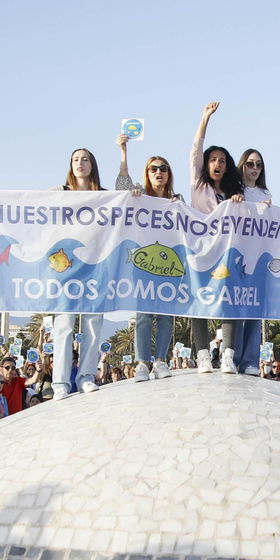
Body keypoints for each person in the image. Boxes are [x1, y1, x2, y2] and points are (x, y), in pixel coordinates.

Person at [53, 147, 119, 396]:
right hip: (65, 268)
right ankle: (60, 383)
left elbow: (124, 194)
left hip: (95, 266)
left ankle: (86, 376)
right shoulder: (60, 193)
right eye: (75, 159)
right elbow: (29, 202)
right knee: (64, 325)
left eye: (85, 159)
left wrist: (122, 153)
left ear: (93, 164)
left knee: (92, 324)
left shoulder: (103, 195)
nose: (80, 163)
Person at [186, 102, 243, 371]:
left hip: (225, 254)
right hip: (199, 252)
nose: (217, 164)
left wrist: (237, 202)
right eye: (212, 160)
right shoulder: (198, 186)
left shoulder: (234, 194)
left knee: (228, 300)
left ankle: (228, 354)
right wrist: (205, 117)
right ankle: (203, 355)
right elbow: (196, 149)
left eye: (222, 160)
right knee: (199, 302)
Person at [117, 145, 181, 382]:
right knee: (144, 314)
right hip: (143, 267)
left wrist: (178, 206)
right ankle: (142, 363)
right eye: (153, 168)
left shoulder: (177, 199)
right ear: (147, 173)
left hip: (168, 267)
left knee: (166, 313)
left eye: (163, 168)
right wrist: (123, 152)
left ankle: (161, 361)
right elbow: (121, 187)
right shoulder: (139, 195)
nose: (158, 172)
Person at [231, 147, 271, 375]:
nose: (255, 169)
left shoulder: (266, 195)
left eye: (259, 165)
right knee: (237, 309)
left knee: (255, 311)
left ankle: (250, 361)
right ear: (242, 166)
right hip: (238, 256)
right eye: (250, 164)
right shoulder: (234, 191)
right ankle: (233, 357)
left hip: (259, 258)